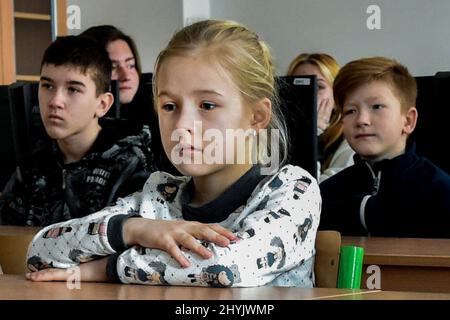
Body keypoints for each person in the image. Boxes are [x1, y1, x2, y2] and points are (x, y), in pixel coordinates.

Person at [25, 20, 321, 288]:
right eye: (169, 106)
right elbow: (40, 253)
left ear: (256, 116)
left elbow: (228, 267)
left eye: (207, 105)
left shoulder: (293, 190)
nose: (181, 126)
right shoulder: (159, 196)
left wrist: (109, 267)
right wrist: (131, 228)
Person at [0, 36, 157, 226]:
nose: (55, 101)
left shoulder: (131, 164)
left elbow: (135, 246)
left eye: (73, 89)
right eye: (48, 86)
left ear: (102, 104)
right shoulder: (32, 166)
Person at [319, 56, 450, 238]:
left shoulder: (441, 191)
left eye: (377, 107)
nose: (362, 120)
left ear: (408, 120)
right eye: (350, 111)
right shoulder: (325, 195)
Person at [81, 25, 176, 175]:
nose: (126, 76)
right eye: (112, 67)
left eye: (131, 65)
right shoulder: (79, 116)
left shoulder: (159, 102)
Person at [287, 53, 354, 182]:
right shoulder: (277, 133)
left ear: (336, 97)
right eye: (296, 87)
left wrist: (314, 131)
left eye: (318, 87)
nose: (304, 95)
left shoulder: (351, 142)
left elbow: (315, 193)